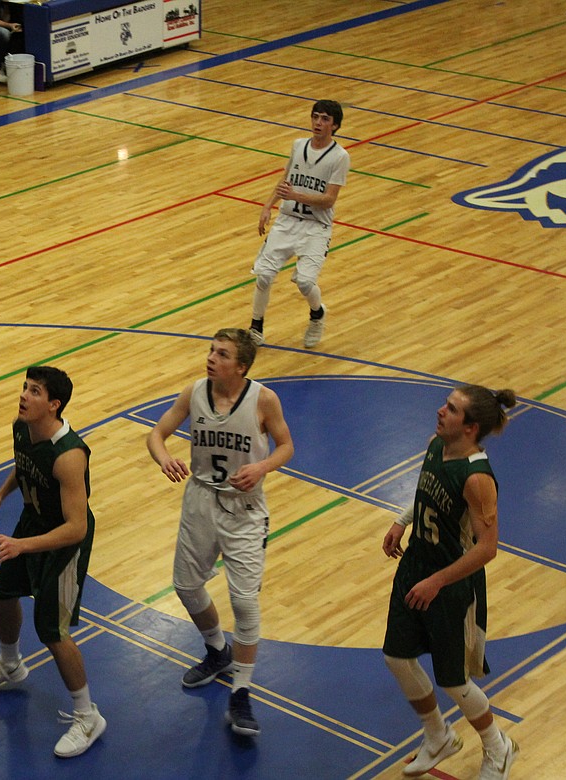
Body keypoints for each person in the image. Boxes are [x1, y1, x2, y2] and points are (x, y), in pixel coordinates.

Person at [146, 328, 294, 737]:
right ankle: (217, 650)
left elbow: (286, 446)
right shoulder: (195, 391)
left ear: (241, 366)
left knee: (245, 602)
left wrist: (262, 467)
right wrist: (163, 458)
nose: (211, 358)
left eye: (222, 354)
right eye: (211, 350)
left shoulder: (263, 399)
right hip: (200, 499)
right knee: (186, 586)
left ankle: (242, 693)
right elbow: (156, 434)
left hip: (245, 510)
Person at [381, 385, 519, 779]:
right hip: (415, 567)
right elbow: (428, 490)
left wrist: (437, 582)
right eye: (446, 403)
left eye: (452, 409)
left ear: (471, 428)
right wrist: (401, 520)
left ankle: (499, 747)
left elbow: (487, 548)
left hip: (451, 585)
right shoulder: (435, 444)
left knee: (454, 681)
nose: (441, 411)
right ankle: (437, 734)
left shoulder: (478, 478)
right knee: (396, 657)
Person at [0, 366, 106, 758]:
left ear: (54, 405)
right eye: (25, 388)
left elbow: (76, 528)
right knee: (2, 594)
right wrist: (0, 495)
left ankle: (88, 715)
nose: (24, 396)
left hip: (64, 542)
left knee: (52, 630)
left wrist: (22, 546)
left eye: (34, 392)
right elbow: (25, 465)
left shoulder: (70, 456)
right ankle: (10, 666)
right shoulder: (23, 426)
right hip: (32, 524)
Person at [246, 99, 349, 349]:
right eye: (315, 117)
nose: (318, 122)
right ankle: (255, 327)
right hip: (288, 220)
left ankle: (317, 314)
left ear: (335, 125)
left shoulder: (340, 157)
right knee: (264, 276)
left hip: (316, 227)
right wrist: (268, 205)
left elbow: (328, 200)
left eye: (325, 119)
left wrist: (296, 196)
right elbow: (285, 180)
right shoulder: (298, 145)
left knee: (304, 282)